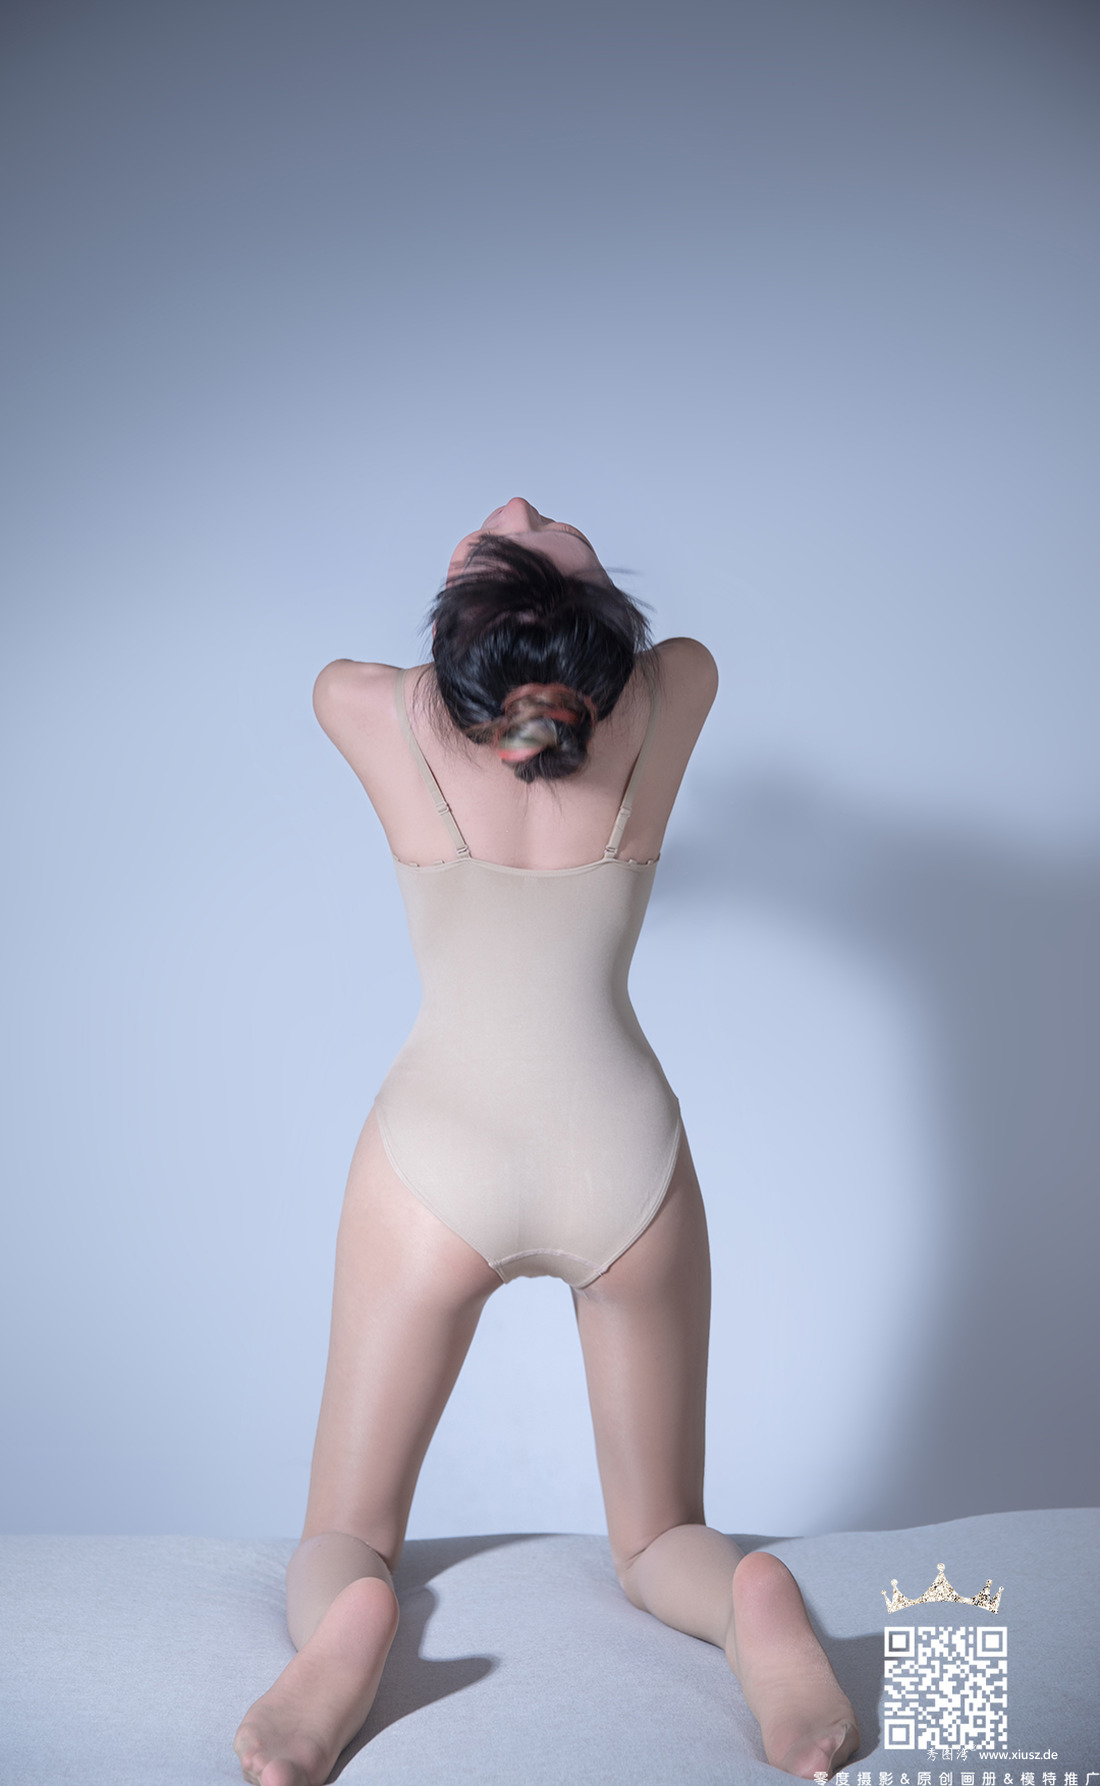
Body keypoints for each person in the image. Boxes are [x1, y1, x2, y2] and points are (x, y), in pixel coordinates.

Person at [233, 498, 860, 1786]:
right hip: (624, 1155)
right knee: (660, 1536)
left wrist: (491, 656)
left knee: (348, 1533)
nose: (519, 505)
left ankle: (348, 1631)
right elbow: (612, 690)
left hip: (436, 1158)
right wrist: (554, 643)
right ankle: (746, 1601)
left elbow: (397, 688)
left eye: (522, 530)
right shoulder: (673, 694)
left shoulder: (373, 710)